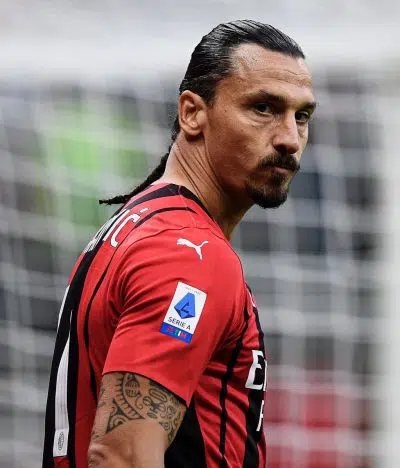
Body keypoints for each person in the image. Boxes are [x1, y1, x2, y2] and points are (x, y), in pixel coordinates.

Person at [43, 19, 316, 468]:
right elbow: (121, 456)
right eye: (263, 108)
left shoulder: (141, 226)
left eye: (301, 116)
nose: (290, 138)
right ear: (192, 113)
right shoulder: (188, 253)